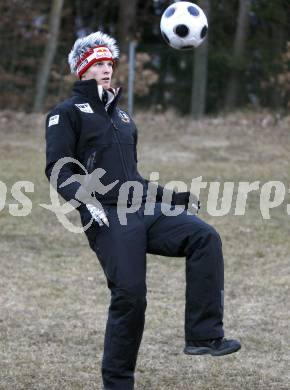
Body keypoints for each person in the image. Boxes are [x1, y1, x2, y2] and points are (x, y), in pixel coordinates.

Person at [45, 31, 241, 390]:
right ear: (83, 70)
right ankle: (118, 383)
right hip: (106, 216)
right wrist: (85, 201)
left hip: (141, 209)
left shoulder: (123, 119)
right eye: (98, 64)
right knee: (131, 298)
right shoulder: (66, 113)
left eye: (109, 63)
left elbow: (132, 178)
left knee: (204, 237)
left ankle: (203, 336)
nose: (106, 69)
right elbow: (59, 169)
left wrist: (174, 198)